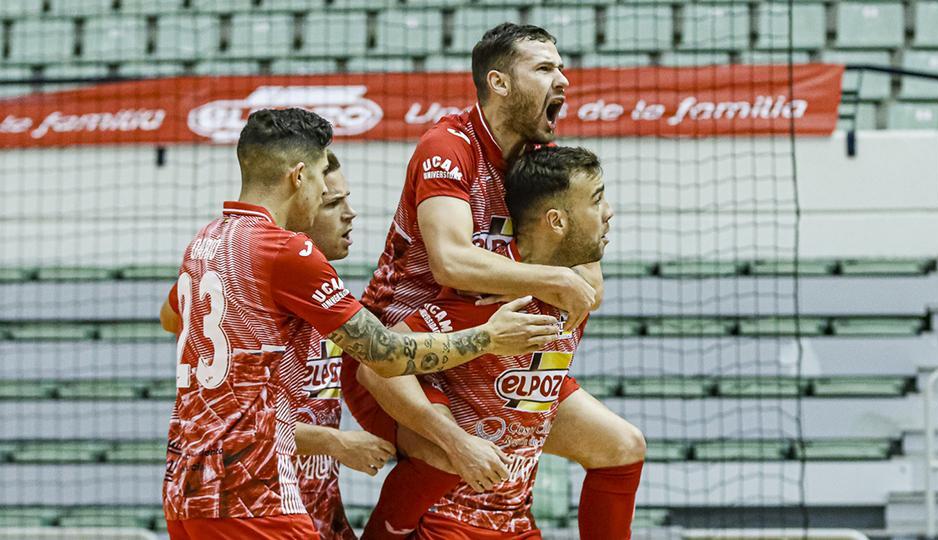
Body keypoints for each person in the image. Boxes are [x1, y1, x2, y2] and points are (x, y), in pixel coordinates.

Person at [158, 108, 561, 539]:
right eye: (322, 185)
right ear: (299, 177)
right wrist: (487, 337)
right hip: (255, 492)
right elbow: (387, 356)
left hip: (190, 487)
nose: (330, 202)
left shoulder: (205, 243)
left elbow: (171, 317)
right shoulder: (285, 250)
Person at [346, 24, 646, 540]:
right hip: (404, 350)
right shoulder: (448, 147)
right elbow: (451, 263)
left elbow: (586, 271)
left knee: (621, 446)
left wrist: (561, 276)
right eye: (545, 68)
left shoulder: (537, 162)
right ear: (500, 82)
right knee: (446, 454)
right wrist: (551, 278)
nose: (565, 80)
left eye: (562, 67)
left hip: (491, 346)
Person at [373, 146, 619, 539]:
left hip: (515, 518)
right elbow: (378, 364)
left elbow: (591, 280)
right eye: (597, 200)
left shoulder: (574, 285)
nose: (609, 211)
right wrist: (456, 442)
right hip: (453, 520)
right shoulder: (495, 296)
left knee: (623, 447)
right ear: (556, 221)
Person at [291, 151, 392, 539]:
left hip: (316, 507)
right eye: (333, 203)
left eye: (347, 199)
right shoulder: (260, 287)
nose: (350, 214)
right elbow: (249, 428)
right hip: (265, 512)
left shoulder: (323, 286)